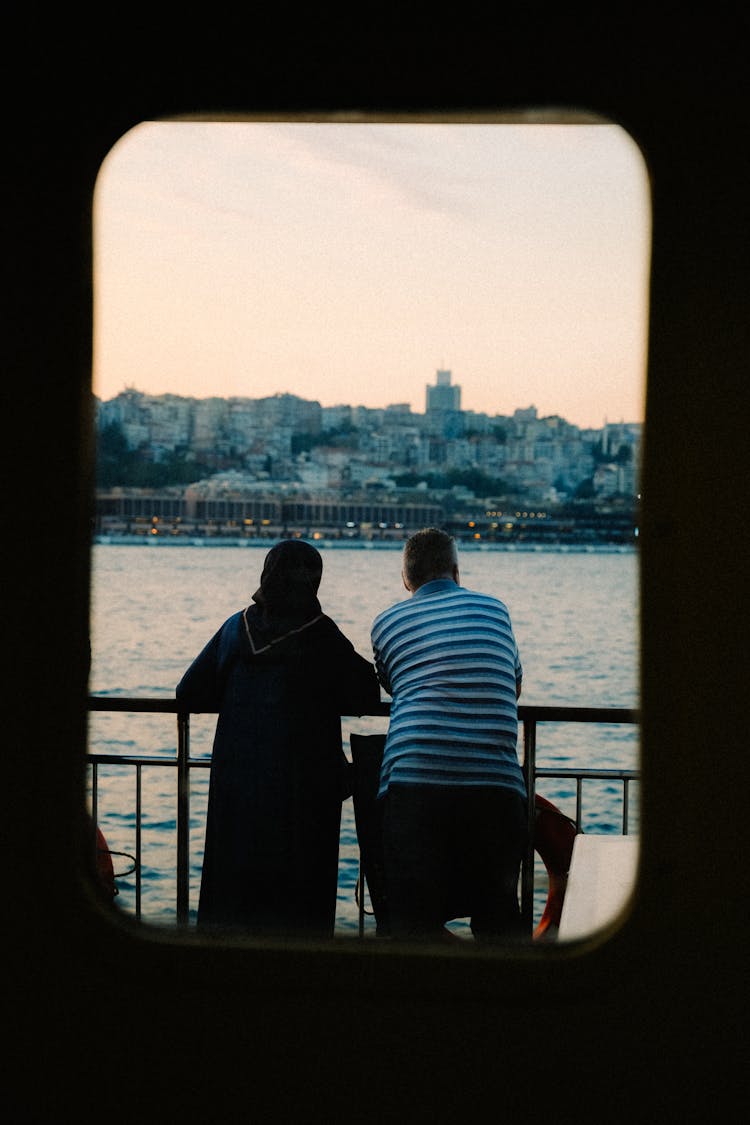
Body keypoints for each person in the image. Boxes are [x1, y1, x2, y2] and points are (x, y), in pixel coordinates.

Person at [177, 539, 380, 939]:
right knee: (298, 904)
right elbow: (365, 693)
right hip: (303, 795)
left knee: (233, 898)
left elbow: (189, 692)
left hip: (238, 788)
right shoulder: (321, 634)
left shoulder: (237, 628)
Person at [370, 528, 527, 944]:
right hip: (497, 784)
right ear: (456, 572)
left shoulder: (387, 622)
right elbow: (513, 686)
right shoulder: (495, 610)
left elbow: (392, 684)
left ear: (406, 578)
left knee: (409, 920)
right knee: (498, 915)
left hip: (416, 782)